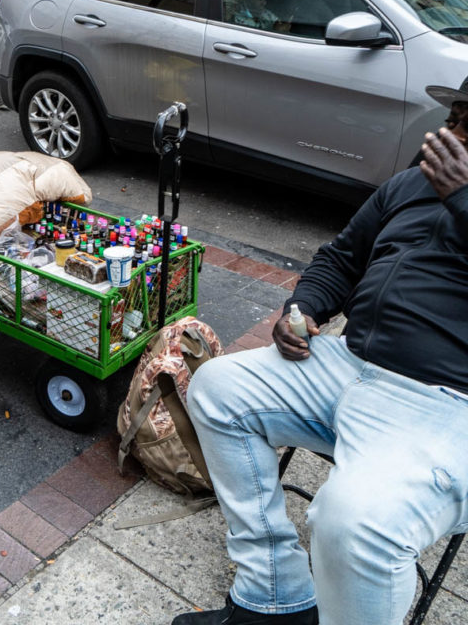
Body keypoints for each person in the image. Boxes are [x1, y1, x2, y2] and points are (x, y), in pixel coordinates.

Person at [173, 77, 468, 625]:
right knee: (217, 388)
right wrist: (302, 310)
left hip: (444, 405)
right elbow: (340, 258)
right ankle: (276, 598)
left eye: (467, 125)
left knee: (350, 521)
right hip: (351, 366)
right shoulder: (410, 185)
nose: (449, 135)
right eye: (454, 118)